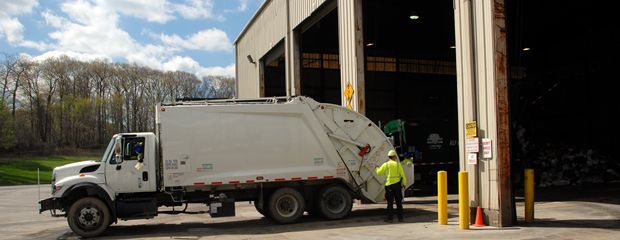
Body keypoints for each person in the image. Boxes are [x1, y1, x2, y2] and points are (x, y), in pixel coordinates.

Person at [376, 149, 407, 223]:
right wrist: (404, 184)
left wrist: (376, 168)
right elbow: (403, 175)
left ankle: (390, 219)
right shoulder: (397, 164)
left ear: (389, 156)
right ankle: (401, 218)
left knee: (390, 203)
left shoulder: (385, 164)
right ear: (394, 156)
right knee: (399, 203)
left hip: (389, 186)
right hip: (397, 186)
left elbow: (379, 173)